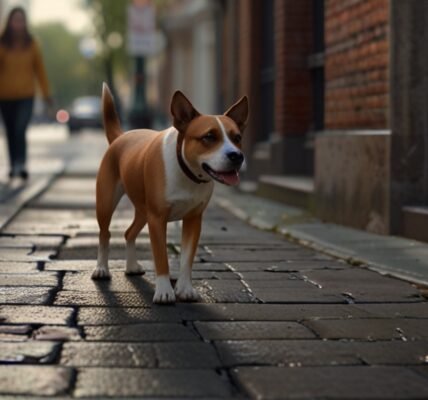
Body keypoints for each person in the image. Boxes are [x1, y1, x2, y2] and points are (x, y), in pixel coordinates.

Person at [0, 6, 52, 180]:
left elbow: (40, 71)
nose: (18, 24)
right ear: (10, 22)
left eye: (21, 20)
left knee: (20, 128)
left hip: (26, 95)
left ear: (25, 23)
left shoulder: (32, 44)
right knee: (10, 131)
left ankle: (21, 163)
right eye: (15, 20)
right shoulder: (2, 43)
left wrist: (46, 94)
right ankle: (13, 163)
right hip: (5, 96)